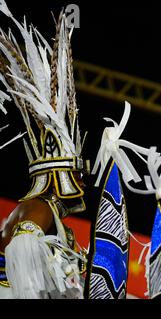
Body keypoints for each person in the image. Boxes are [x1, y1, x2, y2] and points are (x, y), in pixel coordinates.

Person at [0, 2, 89, 298]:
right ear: (58, 173)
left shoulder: (41, 210)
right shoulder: (39, 207)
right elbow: (22, 252)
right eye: (77, 172)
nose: (83, 181)